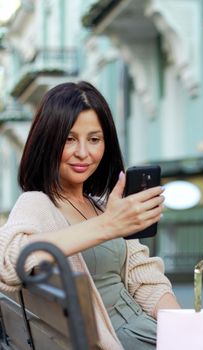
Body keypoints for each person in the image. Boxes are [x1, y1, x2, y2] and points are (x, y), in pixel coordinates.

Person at [0, 81, 180, 349]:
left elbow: (144, 279)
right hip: (112, 339)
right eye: (69, 139)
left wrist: (184, 326)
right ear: (48, 142)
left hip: (146, 329)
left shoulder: (102, 204)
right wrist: (108, 225)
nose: (83, 153)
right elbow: (8, 262)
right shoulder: (37, 203)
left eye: (94, 139)